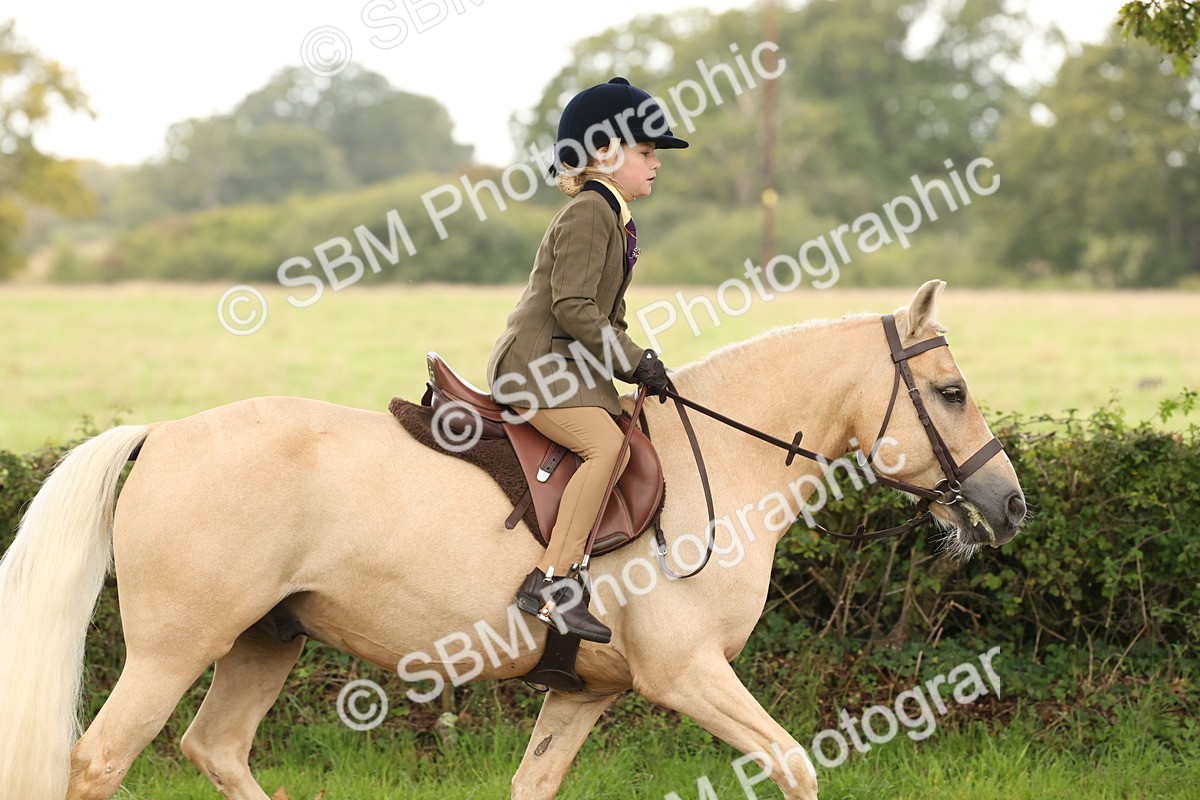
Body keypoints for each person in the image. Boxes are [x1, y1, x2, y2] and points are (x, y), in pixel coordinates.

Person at [486, 77, 688, 643]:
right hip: (534, 369)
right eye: (646, 152)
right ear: (604, 153)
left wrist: (641, 364)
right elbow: (572, 306)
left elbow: (608, 315)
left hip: (568, 367)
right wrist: (630, 359)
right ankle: (554, 580)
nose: (656, 163)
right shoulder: (590, 214)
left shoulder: (615, 215)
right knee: (607, 446)